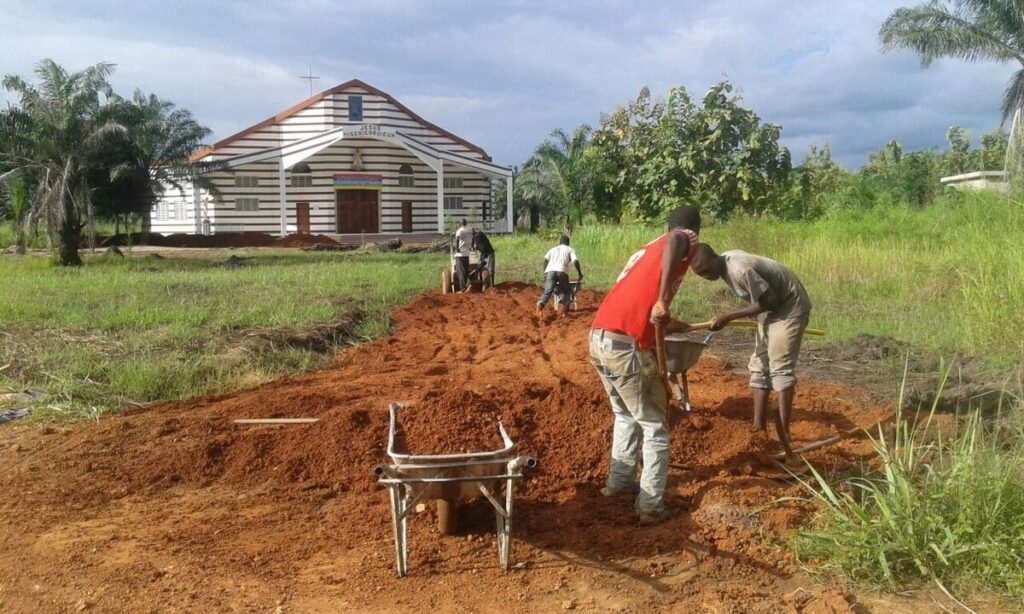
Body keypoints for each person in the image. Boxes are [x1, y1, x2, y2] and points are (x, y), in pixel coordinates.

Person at [589, 206, 701, 525]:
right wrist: (664, 299)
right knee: (654, 426)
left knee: (625, 415)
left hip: (600, 337)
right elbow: (677, 241)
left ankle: (619, 484)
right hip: (625, 347)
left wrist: (671, 320)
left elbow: (641, 306)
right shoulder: (680, 237)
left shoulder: (646, 250)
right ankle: (650, 506)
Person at [689, 244, 812, 466]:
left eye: (707, 270)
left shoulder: (739, 270)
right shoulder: (725, 266)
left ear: (716, 258)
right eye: (701, 275)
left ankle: (783, 434)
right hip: (771, 309)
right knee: (759, 366)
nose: (706, 276)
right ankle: (758, 429)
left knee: (780, 367)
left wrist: (728, 316)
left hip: (789, 307)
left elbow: (769, 300)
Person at [536, 235, 582, 318]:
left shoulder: (552, 249)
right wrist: (579, 272)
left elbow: (545, 260)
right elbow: (575, 261)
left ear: (559, 242)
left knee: (548, 291)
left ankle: (540, 305)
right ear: (568, 243)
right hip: (562, 272)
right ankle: (565, 313)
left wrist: (545, 273)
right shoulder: (570, 249)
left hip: (550, 272)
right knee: (567, 291)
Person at [452, 219, 473, 292]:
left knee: (460, 272)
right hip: (467, 253)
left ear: (460, 224)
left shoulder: (459, 231)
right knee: (466, 270)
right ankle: (469, 284)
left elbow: (457, 240)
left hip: (460, 254)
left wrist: (457, 248)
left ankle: (463, 288)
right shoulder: (470, 229)